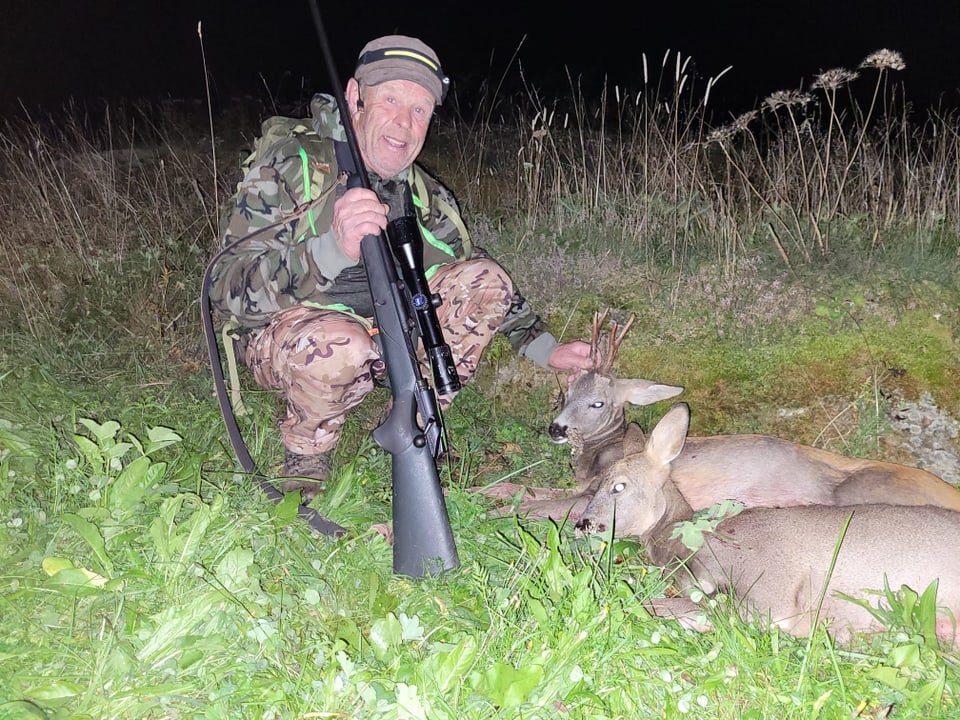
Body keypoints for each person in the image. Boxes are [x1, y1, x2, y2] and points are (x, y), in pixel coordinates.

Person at [208, 35, 595, 498]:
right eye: (390, 99)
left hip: (389, 337)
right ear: (356, 98)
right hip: (298, 342)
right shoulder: (292, 165)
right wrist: (330, 248)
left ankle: (409, 421)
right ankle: (307, 453)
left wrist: (544, 347)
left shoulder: (423, 193)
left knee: (486, 280)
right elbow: (225, 287)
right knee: (342, 344)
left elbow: (474, 275)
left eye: (420, 110)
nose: (404, 123)